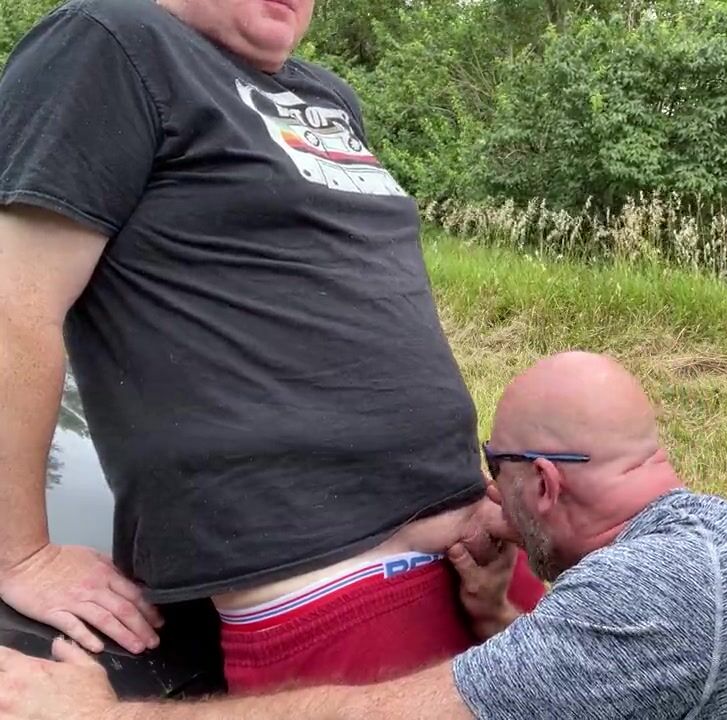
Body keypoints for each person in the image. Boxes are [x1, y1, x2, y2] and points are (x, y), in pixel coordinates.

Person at [0, 0, 543, 693]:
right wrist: (20, 555)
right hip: (340, 590)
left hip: (483, 561)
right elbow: (14, 302)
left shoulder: (325, 95)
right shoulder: (112, 42)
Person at [0, 352, 727, 720]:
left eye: (497, 466)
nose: (486, 490)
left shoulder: (655, 593)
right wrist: (495, 619)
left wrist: (108, 717)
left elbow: (387, 719)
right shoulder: (704, 541)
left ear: (543, 482)